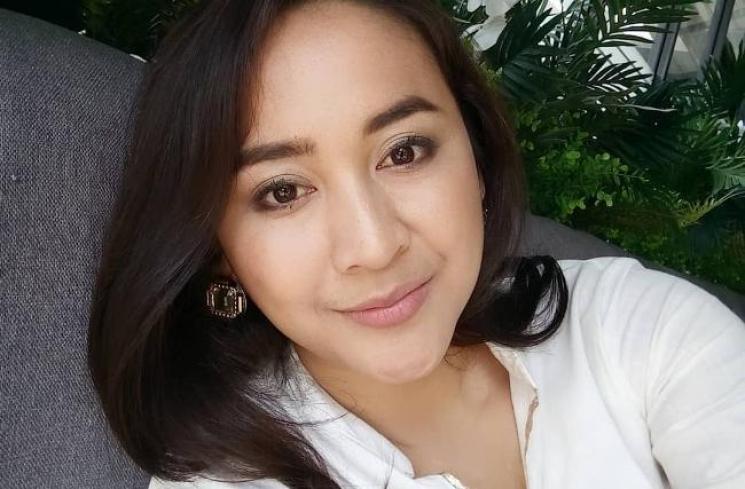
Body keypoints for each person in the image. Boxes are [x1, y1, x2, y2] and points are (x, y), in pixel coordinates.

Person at [86, 0, 745, 488]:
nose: (374, 246)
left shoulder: (638, 329)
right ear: (218, 249)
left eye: (404, 151)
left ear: (477, 155)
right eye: (283, 191)